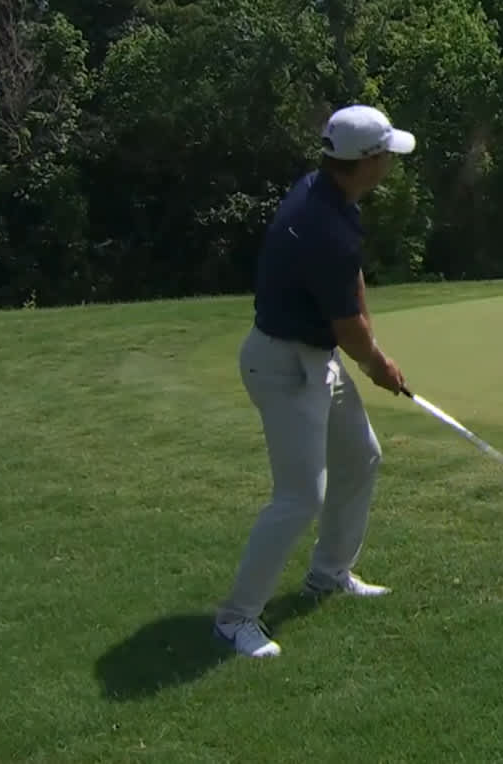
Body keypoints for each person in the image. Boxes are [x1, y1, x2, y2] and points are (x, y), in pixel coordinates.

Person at [212, 104, 417, 659]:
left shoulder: (330, 194)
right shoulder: (322, 224)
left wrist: (369, 346)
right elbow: (348, 328)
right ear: (368, 161)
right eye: (386, 155)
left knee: (361, 456)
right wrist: (378, 363)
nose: (391, 163)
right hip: (281, 367)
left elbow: (350, 287)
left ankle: (329, 574)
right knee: (301, 496)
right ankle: (236, 618)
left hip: (313, 358)